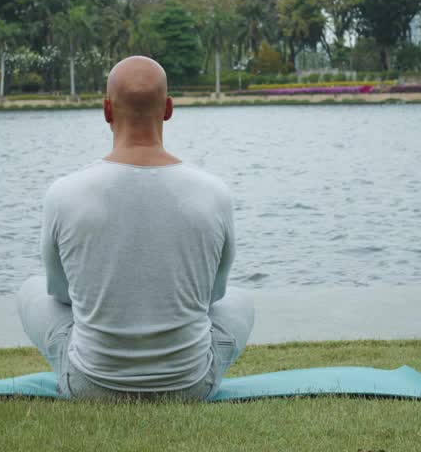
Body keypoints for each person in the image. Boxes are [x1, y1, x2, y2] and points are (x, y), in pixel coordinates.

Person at [15, 55, 254, 400]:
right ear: (168, 109)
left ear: (107, 110)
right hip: (191, 385)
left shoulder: (64, 192)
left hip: (89, 386)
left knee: (31, 290)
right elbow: (214, 296)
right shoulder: (214, 192)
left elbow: (59, 292)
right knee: (241, 298)